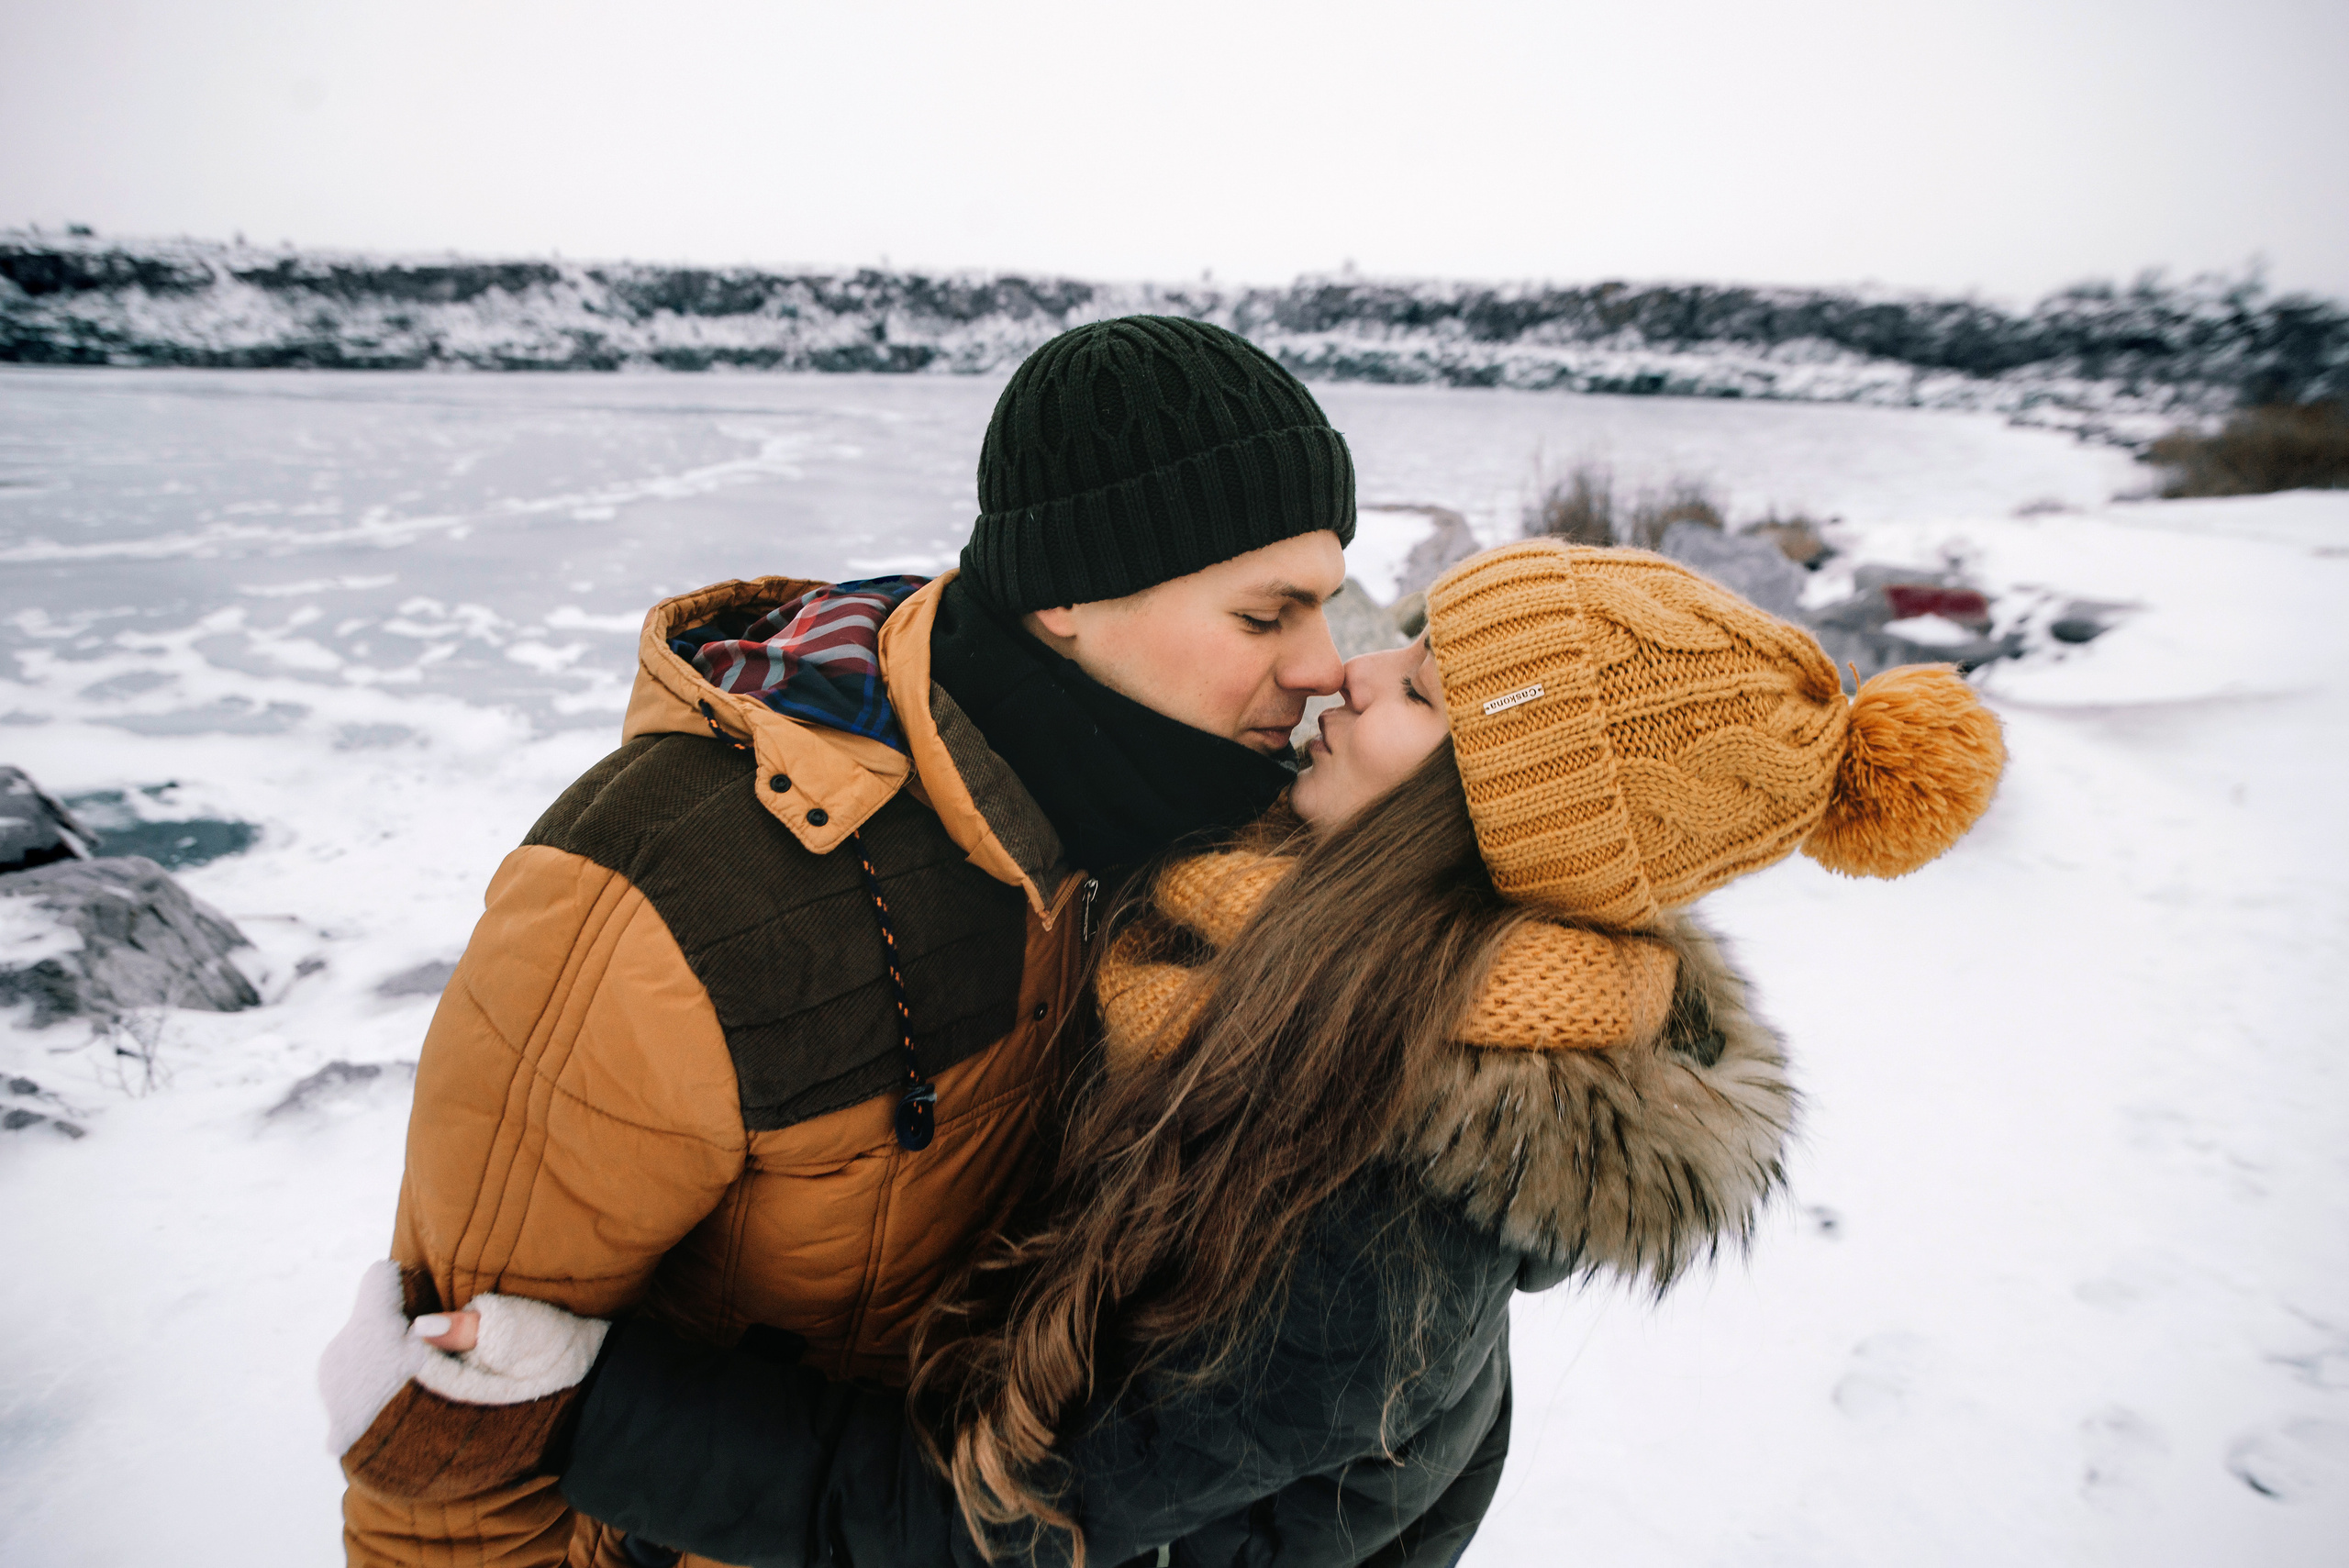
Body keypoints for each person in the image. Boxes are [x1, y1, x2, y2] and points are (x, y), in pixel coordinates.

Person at [324, 539, 2008, 1567]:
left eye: (1413, 688)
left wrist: (586, 1403)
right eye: (1389, 631)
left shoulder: (1370, 1218)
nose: (1344, 672)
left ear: (1484, 822)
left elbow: (1003, 1530)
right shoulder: (1279, 953)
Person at [329, 313, 1361, 1566]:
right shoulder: (671, 896)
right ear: (1068, 598)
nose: (1325, 666)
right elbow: (459, 1446)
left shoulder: (1178, 812)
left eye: (1331, 603)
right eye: (1268, 617)